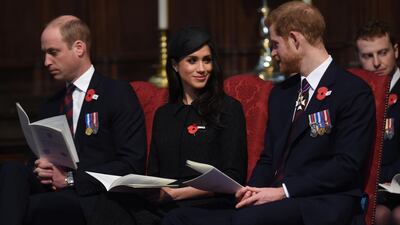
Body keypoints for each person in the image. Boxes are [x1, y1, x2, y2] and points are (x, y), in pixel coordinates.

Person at [161, 2, 376, 225]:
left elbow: (346, 166)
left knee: (249, 220)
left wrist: (284, 191)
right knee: (179, 218)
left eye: (275, 44)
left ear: (295, 39)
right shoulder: (282, 93)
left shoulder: (352, 91)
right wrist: (251, 191)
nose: (272, 53)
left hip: (320, 203)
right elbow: (269, 158)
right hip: (275, 201)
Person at [0, 15, 147, 225]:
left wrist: (70, 180)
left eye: (53, 52)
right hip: (54, 189)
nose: (46, 62)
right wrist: (39, 167)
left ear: (79, 48)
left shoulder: (117, 93)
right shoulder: (51, 103)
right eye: (44, 54)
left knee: (28, 208)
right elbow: (35, 155)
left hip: (95, 197)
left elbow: (131, 164)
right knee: (11, 171)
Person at [117, 27, 247, 225]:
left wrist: (176, 194)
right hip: (166, 204)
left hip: (210, 205)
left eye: (207, 60)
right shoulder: (163, 114)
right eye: (192, 60)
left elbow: (234, 176)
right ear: (176, 65)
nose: (202, 68)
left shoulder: (229, 108)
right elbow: (154, 174)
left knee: (174, 219)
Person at [356, 20, 400, 225]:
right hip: (370, 185)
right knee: (379, 215)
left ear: (396, 51)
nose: (376, 63)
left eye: (383, 53)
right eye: (367, 56)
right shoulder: (355, 96)